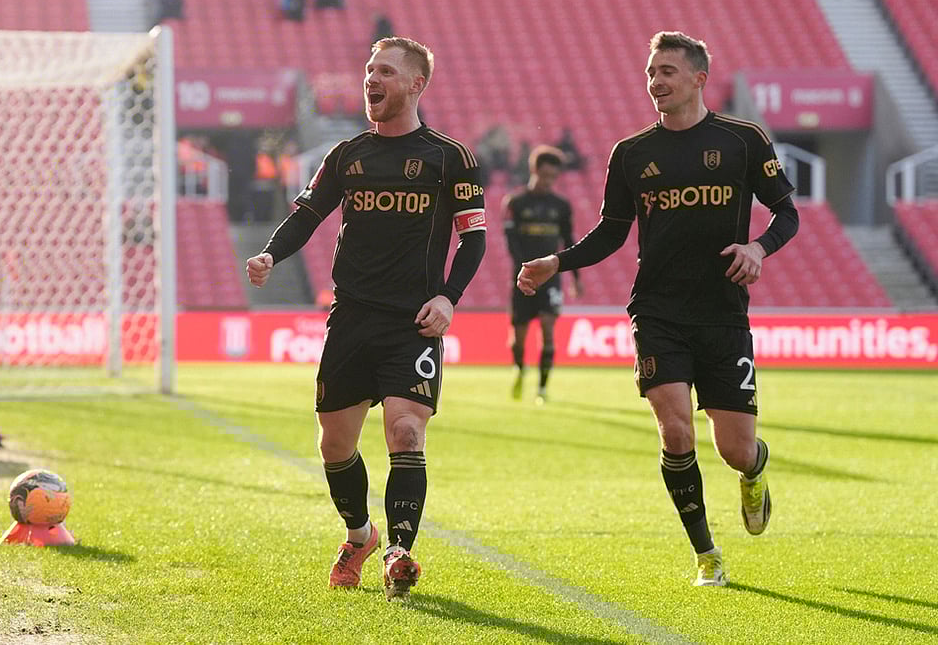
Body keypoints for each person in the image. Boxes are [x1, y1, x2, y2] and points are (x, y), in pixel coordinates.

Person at [517, 31, 799, 587]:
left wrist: (757, 247)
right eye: (651, 73)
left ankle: (756, 469)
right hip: (657, 312)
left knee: (735, 450)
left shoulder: (744, 141)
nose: (656, 82)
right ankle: (707, 555)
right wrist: (559, 260)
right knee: (676, 432)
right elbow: (611, 233)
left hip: (722, 314)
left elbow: (786, 213)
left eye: (667, 71)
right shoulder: (632, 153)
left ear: (698, 78)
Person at [246, 37, 486, 599]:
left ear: (415, 84)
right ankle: (361, 535)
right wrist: (270, 255)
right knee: (334, 444)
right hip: (351, 317)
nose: (371, 80)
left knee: (406, 429)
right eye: (368, 71)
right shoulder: (347, 155)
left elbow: (473, 239)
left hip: (413, 322)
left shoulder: (451, 158)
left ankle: (401, 551)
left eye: (384, 71)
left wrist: (448, 297)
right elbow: (305, 215)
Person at [503, 145, 581, 404]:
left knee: (548, 330)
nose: (548, 182)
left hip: (550, 278)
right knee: (520, 336)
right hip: (522, 276)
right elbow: (511, 243)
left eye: (552, 177)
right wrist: (524, 271)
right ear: (534, 170)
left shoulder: (561, 206)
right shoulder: (515, 203)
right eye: (544, 175)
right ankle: (519, 369)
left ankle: (542, 389)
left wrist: (576, 279)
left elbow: (569, 241)